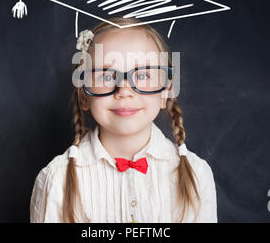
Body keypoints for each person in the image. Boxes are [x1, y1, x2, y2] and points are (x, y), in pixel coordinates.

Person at [30, 16, 217, 223]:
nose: (125, 90)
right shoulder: (56, 179)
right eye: (108, 76)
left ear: (165, 91)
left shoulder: (197, 175)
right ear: (84, 95)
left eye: (144, 75)